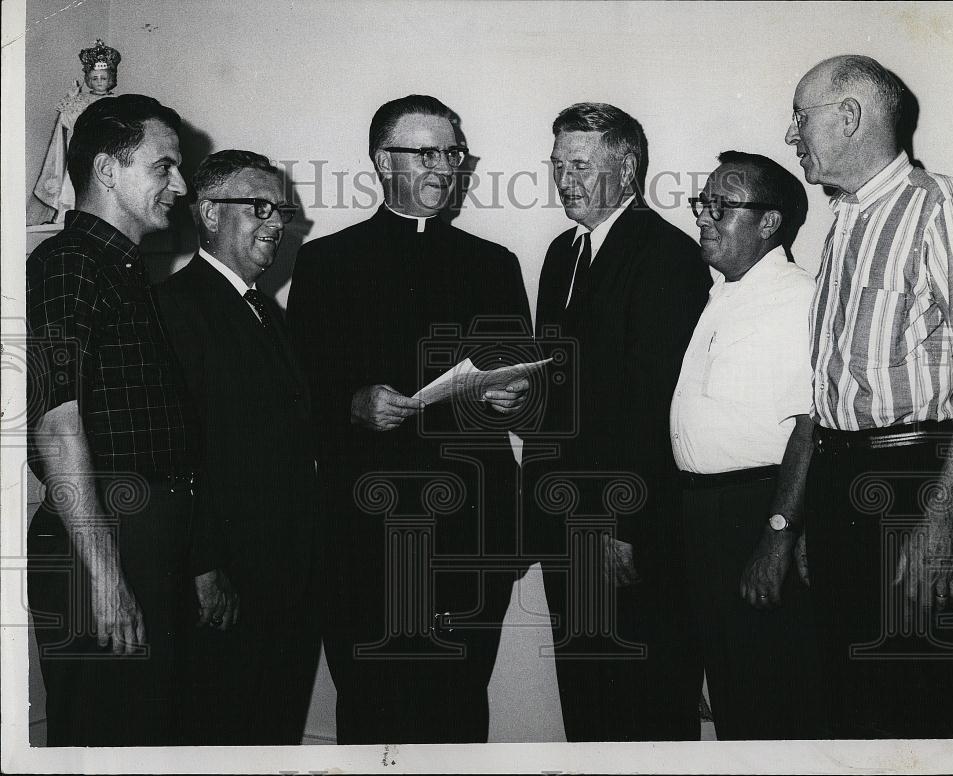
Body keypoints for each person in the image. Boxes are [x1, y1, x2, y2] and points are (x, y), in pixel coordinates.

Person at [286, 95, 532, 744]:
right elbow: (292, 396)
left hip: (468, 534)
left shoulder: (493, 264)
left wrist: (510, 398)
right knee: (372, 712)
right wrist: (351, 403)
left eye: (453, 153)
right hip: (365, 538)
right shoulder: (325, 263)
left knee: (456, 710)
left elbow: (522, 385)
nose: (445, 167)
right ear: (379, 160)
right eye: (426, 152)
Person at [785, 54, 953, 738]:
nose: (791, 134)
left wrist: (944, 521)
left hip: (912, 483)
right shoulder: (843, 224)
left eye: (801, 116)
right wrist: (813, 516)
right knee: (850, 698)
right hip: (841, 484)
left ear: (851, 115)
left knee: (917, 697)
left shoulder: (941, 209)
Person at [528, 102, 710, 741]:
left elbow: (649, 404)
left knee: (645, 707)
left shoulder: (665, 255)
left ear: (627, 168)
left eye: (580, 165)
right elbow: (567, 382)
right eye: (557, 165)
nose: (564, 180)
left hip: (623, 529)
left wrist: (617, 522)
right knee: (585, 701)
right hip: (564, 522)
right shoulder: (560, 253)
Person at [26, 94, 196, 746]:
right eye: (165, 167)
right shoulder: (69, 262)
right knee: (104, 743)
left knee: (149, 738)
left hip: (142, 539)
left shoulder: (124, 270)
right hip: (101, 543)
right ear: (107, 169)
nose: (179, 186)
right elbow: (54, 425)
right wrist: (105, 579)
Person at [155, 150, 321, 744]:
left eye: (280, 210)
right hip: (225, 587)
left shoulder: (265, 312)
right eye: (259, 208)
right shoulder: (176, 309)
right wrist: (203, 568)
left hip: (284, 584)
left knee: (271, 736)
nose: (275, 224)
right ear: (207, 214)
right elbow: (177, 455)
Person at [672, 150, 828, 739]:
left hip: (755, 513)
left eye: (722, 205)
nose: (704, 217)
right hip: (706, 516)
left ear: (770, 222)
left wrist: (777, 536)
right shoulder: (723, 294)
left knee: (774, 700)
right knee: (734, 694)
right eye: (703, 203)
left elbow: (809, 425)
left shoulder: (796, 298)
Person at [31, 39, 122, 224]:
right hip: (84, 149)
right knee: (76, 182)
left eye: (103, 78)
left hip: (108, 150)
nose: (99, 82)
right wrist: (71, 101)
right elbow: (67, 123)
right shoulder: (81, 100)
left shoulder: (117, 103)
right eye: (95, 78)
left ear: (110, 80)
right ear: (89, 80)